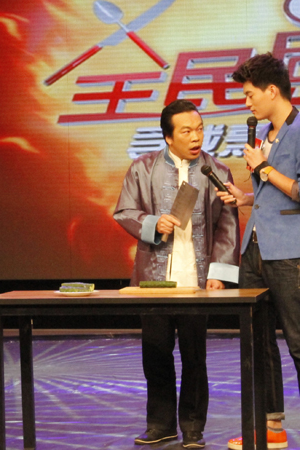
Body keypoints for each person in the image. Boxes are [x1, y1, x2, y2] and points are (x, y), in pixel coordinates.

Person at [113, 99, 240, 449]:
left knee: (195, 356)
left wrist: (219, 273)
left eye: (199, 129)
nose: (196, 137)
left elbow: (228, 225)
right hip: (154, 280)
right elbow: (124, 211)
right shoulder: (142, 168)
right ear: (168, 137)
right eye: (186, 131)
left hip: (196, 280)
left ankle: (193, 428)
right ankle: (160, 424)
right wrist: (153, 223)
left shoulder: (217, 171)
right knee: (156, 353)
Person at [217, 53, 300, 450]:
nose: (246, 102)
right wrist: (245, 197)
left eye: (250, 95)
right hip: (255, 248)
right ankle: (272, 427)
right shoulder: (264, 134)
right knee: (258, 342)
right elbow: (273, 194)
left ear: (272, 91)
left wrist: (264, 169)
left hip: (289, 252)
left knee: (298, 341)